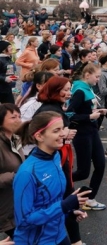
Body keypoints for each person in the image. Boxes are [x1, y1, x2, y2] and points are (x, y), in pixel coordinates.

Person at [13, 112, 90, 245]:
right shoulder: (26, 173)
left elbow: (51, 201)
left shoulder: (55, 157)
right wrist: (63, 206)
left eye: (62, 129)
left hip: (59, 235)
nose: (63, 134)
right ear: (39, 136)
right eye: (56, 130)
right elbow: (24, 220)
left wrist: (69, 212)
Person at [67, 63, 107, 211]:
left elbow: (87, 107)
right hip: (82, 134)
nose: (98, 79)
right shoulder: (79, 90)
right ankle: (59, 183)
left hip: (92, 131)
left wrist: (97, 111)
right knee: (83, 172)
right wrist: (90, 116)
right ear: (87, 75)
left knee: (101, 165)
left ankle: (90, 199)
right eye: (96, 76)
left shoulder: (88, 87)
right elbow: (69, 114)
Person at [0, 104, 23, 240]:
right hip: (4, 208)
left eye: (19, 116)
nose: (18, 120)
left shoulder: (15, 139)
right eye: (13, 117)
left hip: (16, 204)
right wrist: (15, 177)